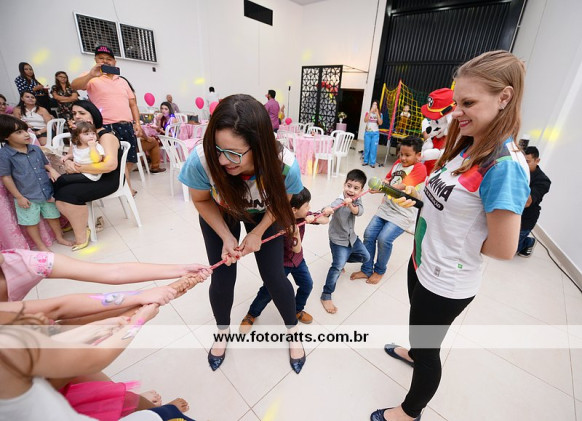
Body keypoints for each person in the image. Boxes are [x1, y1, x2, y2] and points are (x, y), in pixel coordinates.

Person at [370, 50, 530, 421]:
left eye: (468, 103)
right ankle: (415, 351)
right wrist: (413, 198)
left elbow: (504, 248)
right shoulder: (470, 144)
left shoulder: (504, 166)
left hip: (446, 281)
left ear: (504, 97)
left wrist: (455, 238)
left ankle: (410, 411)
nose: (456, 112)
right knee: (419, 332)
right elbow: (447, 202)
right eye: (456, 103)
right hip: (423, 261)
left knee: (429, 351)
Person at [178, 94, 307, 373]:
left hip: (264, 213)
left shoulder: (285, 166)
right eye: (218, 149)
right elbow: (201, 200)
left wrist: (258, 232)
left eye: (234, 154)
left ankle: (293, 330)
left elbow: (281, 203)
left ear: (259, 147)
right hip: (220, 211)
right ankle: (222, 332)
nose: (223, 161)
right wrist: (227, 236)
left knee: (274, 276)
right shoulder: (202, 160)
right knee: (223, 276)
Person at [0, 304, 196, 421]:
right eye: (22, 321)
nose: (38, 317)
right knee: (162, 413)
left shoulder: (17, 366)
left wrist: (99, 326)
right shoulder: (9, 356)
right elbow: (94, 358)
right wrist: (139, 320)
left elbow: (58, 344)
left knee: (118, 397)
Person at [240, 187, 330, 333]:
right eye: (307, 205)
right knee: (268, 291)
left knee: (307, 285)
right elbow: (296, 248)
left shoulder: (302, 215)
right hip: (281, 264)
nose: (309, 207)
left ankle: (297, 309)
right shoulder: (279, 225)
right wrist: (295, 233)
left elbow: (325, 220)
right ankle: (252, 314)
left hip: (298, 261)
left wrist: (322, 213)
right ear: (294, 210)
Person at [0, 247, 211, 303]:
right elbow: (58, 313)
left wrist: (181, 270)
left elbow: (115, 271)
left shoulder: (24, 261)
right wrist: (139, 298)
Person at [351, 137, 426, 285]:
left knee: (384, 239)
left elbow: (401, 187)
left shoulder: (420, 168)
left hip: (403, 213)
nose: (403, 158)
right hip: (386, 208)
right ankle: (366, 269)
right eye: (401, 154)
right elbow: (387, 180)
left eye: (407, 155)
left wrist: (382, 187)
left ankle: (379, 270)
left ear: (418, 155)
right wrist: (379, 187)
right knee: (369, 234)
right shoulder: (397, 164)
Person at [71, 45, 142, 196]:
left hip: (127, 125)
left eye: (109, 59)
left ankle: (124, 183)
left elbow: (133, 104)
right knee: (113, 159)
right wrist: (91, 74)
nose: (105, 61)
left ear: (115, 62)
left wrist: (137, 123)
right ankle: (126, 188)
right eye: (101, 58)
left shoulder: (122, 81)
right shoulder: (91, 77)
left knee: (130, 159)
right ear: (95, 60)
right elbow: (74, 86)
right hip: (107, 126)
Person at [53, 100, 121, 251]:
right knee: (58, 188)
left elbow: (109, 166)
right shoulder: (79, 135)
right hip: (87, 174)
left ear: (93, 115)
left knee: (67, 194)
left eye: (82, 113)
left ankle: (82, 234)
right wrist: (68, 162)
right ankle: (76, 221)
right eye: (74, 113)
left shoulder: (105, 136)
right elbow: (72, 155)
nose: (77, 116)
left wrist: (78, 168)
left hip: (106, 179)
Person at [0, 115, 71, 251]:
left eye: (25, 130)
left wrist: (52, 170)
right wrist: (19, 197)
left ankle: (59, 237)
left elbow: (45, 164)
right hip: (26, 196)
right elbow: (6, 177)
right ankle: (41, 245)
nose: (26, 134)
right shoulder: (4, 155)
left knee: (53, 216)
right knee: (31, 222)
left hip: (46, 191)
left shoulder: (36, 149)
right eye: (19, 132)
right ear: (6, 136)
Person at [320, 169, 369, 314]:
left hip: (352, 238)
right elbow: (328, 208)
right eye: (349, 186)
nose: (351, 190)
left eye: (356, 188)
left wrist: (351, 204)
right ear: (344, 185)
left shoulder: (357, 199)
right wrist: (326, 210)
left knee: (366, 257)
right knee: (336, 268)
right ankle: (326, 295)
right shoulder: (339, 201)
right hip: (338, 240)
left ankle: (340, 261)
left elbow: (359, 212)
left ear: (361, 190)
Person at [517, 146, 551, 257]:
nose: (523, 165)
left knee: (508, 249)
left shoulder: (543, 181)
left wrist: (522, 178)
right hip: (510, 213)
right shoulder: (517, 169)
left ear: (537, 161)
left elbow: (527, 203)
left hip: (526, 218)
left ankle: (528, 242)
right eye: (522, 161)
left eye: (527, 162)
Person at [363, 100, 383, 168]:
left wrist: (377, 114)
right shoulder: (368, 113)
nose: (374, 106)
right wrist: (370, 112)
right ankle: (365, 161)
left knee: (373, 149)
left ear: (377, 106)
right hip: (367, 133)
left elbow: (380, 123)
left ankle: (372, 163)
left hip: (375, 134)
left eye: (376, 104)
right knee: (367, 148)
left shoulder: (380, 114)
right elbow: (365, 120)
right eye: (373, 104)